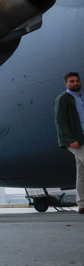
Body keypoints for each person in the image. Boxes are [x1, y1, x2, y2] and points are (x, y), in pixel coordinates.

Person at [54, 72, 84, 213]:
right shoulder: (63, 99)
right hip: (74, 140)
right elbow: (60, 121)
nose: (75, 83)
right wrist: (71, 139)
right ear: (66, 84)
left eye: (77, 80)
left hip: (83, 138)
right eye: (71, 81)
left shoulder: (81, 98)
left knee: (81, 173)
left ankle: (82, 204)